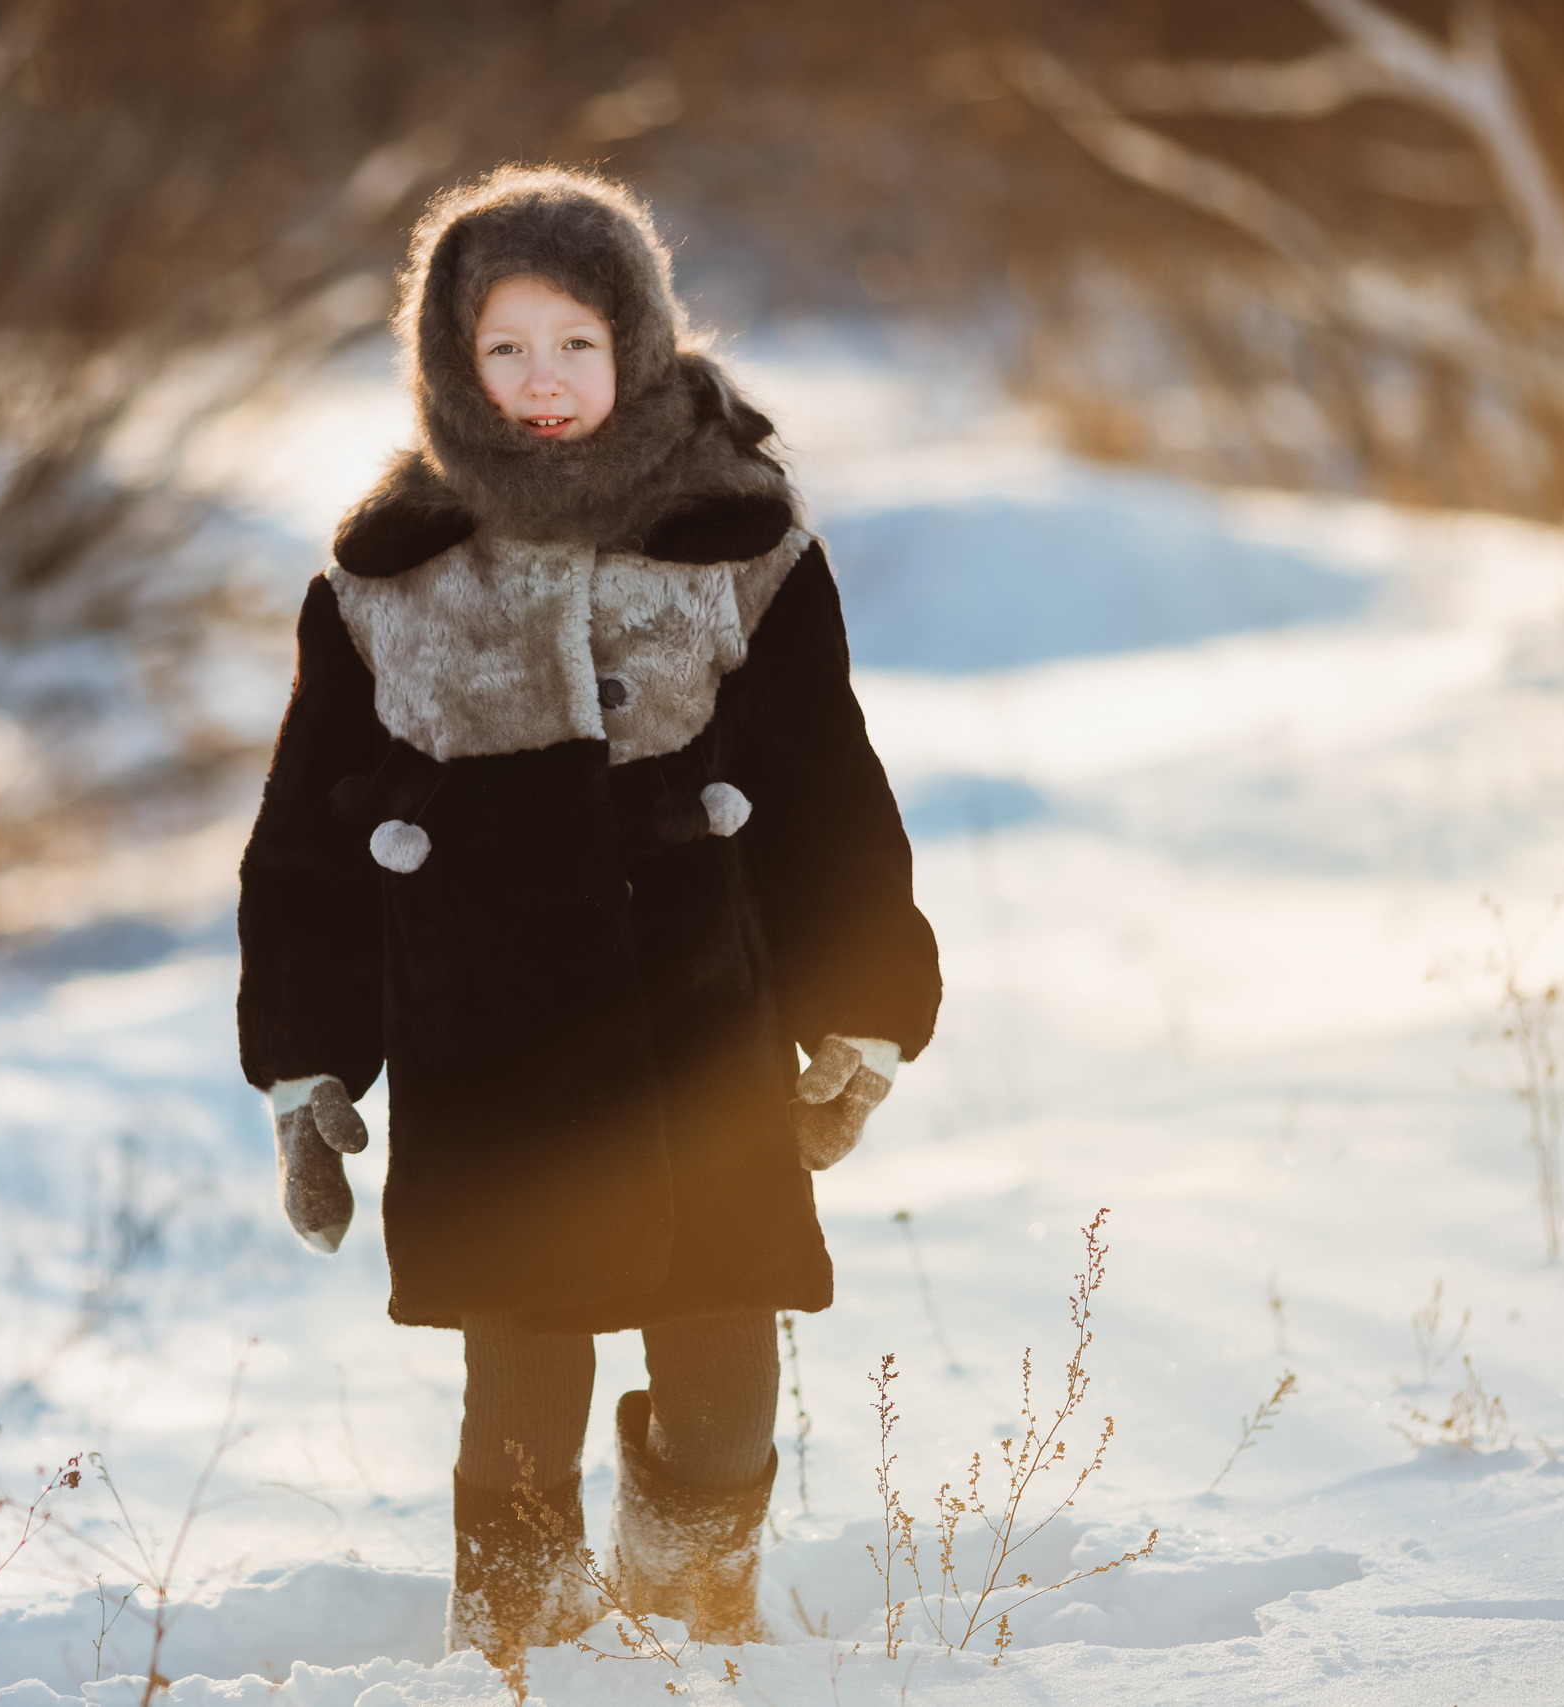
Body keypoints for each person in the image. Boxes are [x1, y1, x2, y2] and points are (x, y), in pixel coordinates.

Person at [235, 165, 941, 1658]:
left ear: (637, 339)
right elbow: (305, 834)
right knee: (521, 1385)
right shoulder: (389, 576)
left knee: (722, 1368)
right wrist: (309, 1064)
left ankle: (692, 1600)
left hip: (704, 1029)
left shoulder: (734, 542)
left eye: (573, 343)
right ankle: (520, 1645)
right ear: (448, 362)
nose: (541, 381)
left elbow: (824, 786)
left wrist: (866, 1007)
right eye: (503, 348)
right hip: (490, 1048)